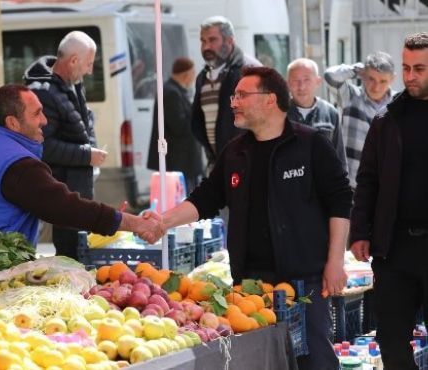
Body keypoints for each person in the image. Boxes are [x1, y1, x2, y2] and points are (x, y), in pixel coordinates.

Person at [160, 67, 352, 370]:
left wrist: (336, 261)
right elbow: (206, 198)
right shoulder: (235, 152)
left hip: (306, 280)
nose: (233, 102)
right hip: (250, 285)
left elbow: (341, 201)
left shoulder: (310, 144)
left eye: (241, 95)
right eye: (234, 95)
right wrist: (162, 221)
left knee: (315, 361)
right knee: (261, 362)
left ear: (269, 100)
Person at [0, 84, 163, 247]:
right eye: (37, 114)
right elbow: (64, 207)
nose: (44, 120)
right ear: (13, 123)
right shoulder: (18, 164)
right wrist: (131, 223)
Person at [349, 32, 428, 370]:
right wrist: (360, 232)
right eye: (407, 68)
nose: (410, 76)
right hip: (394, 248)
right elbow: (367, 180)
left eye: (420, 69)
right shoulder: (386, 120)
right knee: (392, 340)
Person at [23, 31, 108, 260]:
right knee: (69, 255)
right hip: (62, 190)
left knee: (78, 253)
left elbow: (81, 127)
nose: (90, 71)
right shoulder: (43, 92)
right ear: (73, 61)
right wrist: (86, 155)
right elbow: (44, 145)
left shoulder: (71, 84)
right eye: (89, 64)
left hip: (77, 186)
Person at [191, 16, 261, 169]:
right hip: (218, 165)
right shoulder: (202, 78)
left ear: (229, 41)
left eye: (212, 40)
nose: (206, 47)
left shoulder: (249, 71)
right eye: (203, 41)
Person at [324, 51, 396, 187]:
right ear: (363, 76)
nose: (376, 87)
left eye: (383, 81)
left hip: (386, 188)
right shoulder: (350, 96)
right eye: (371, 79)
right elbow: (330, 76)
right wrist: (356, 70)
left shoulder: (399, 103)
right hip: (352, 187)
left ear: (392, 79)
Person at [147, 57, 204, 192]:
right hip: (179, 162)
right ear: (186, 75)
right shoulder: (171, 92)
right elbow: (179, 126)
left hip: (182, 162)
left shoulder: (174, 90)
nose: (193, 78)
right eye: (193, 74)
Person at [286, 58, 346, 169]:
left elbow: (339, 157)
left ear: (318, 81)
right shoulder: (279, 113)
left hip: (323, 183)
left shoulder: (330, 113)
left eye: (307, 80)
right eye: (295, 80)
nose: (301, 87)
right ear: (288, 83)